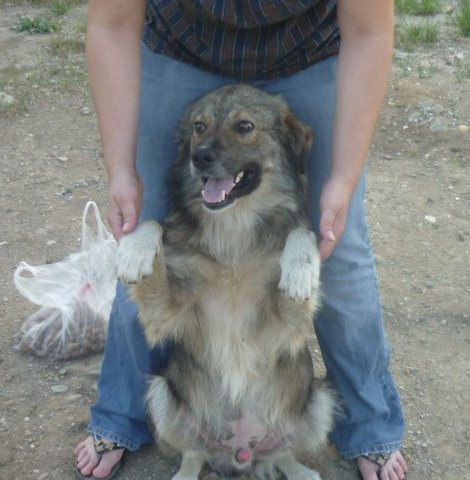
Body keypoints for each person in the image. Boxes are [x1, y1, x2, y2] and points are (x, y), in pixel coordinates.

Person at [74, 1, 408, 480]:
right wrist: (121, 168)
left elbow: (369, 30)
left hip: (308, 52)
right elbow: (110, 21)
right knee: (142, 239)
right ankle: (119, 416)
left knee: (341, 249)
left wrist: (342, 177)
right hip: (181, 49)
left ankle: (369, 426)